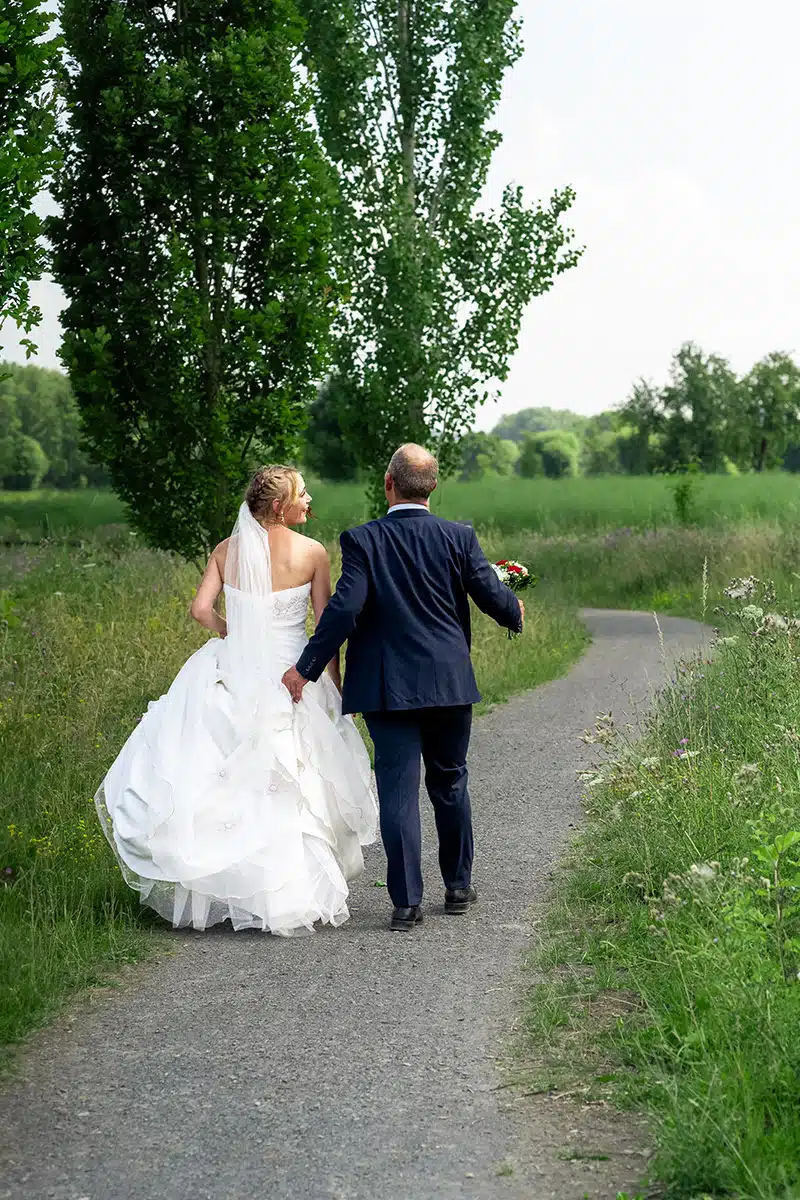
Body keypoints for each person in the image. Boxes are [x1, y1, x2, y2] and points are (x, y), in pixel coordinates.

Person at [95, 466, 378, 935]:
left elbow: (200, 609)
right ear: (278, 506)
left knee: (223, 775)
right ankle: (294, 892)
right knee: (295, 778)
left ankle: (231, 887)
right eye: (302, 494)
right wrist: (337, 684)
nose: (309, 500)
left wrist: (231, 633)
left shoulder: (226, 551)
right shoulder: (312, 553)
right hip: (294, 671)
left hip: (234, 670)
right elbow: (327, 626)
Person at [282, 444, 523, 931]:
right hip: (448, 683)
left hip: (387, 687)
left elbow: (344, 611)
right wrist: (514, 612)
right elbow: (491, 595)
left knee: (397, 790)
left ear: (388, 483)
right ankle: (457, 887)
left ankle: (406, 903)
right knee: (450, 780)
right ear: (433, 487)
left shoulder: (364, 540)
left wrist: (304, 669)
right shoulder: (459, 537)